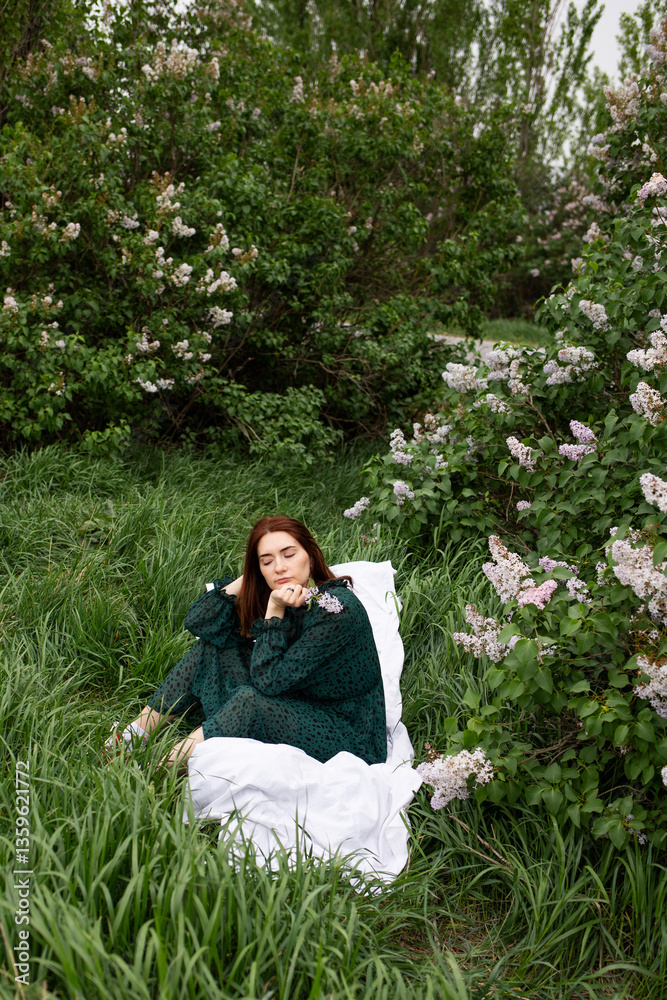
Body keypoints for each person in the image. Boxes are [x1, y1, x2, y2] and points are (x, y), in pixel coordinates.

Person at [108, 515, 387, 769]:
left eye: (289, 555)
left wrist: (274, 611)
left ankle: (156, 770)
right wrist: (252, 575)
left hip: (345, 733)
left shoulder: (336, 610)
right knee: (213, 646)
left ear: (311, 556)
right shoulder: (284, 592)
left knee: (248, 702)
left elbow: (269, 682)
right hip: (297, 698)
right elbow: (200, 622)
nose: (280, 567)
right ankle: (133, 736)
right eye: (267, 561)